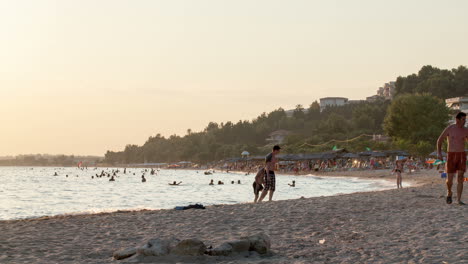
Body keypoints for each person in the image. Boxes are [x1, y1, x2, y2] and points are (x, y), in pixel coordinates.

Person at [437, 112, 468, 205]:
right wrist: (439, 153)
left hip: (461, 155)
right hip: (451, 155)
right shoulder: (450, 128)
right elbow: (439, 140)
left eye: (465, 119)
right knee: (449, 179)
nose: (465, 121)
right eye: (463, 119)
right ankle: (449, 192)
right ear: (457, 120)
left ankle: (459, 200)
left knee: (460, 177)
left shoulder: (466, 130)